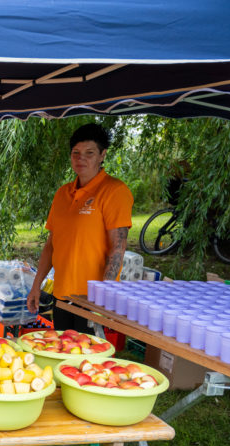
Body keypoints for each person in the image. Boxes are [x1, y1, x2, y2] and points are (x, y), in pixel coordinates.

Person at [26, 123, 133, 333]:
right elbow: (51, 245)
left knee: (88, 362)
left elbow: (117, 248)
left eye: (89, 153)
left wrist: (102, 299)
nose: (81, 158)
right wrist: (36, 285)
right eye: (76, 153)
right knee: (64, 357)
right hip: (62, 295)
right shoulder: (63, 193)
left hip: (91, 301)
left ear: (102, 155)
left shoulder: (114, 191)